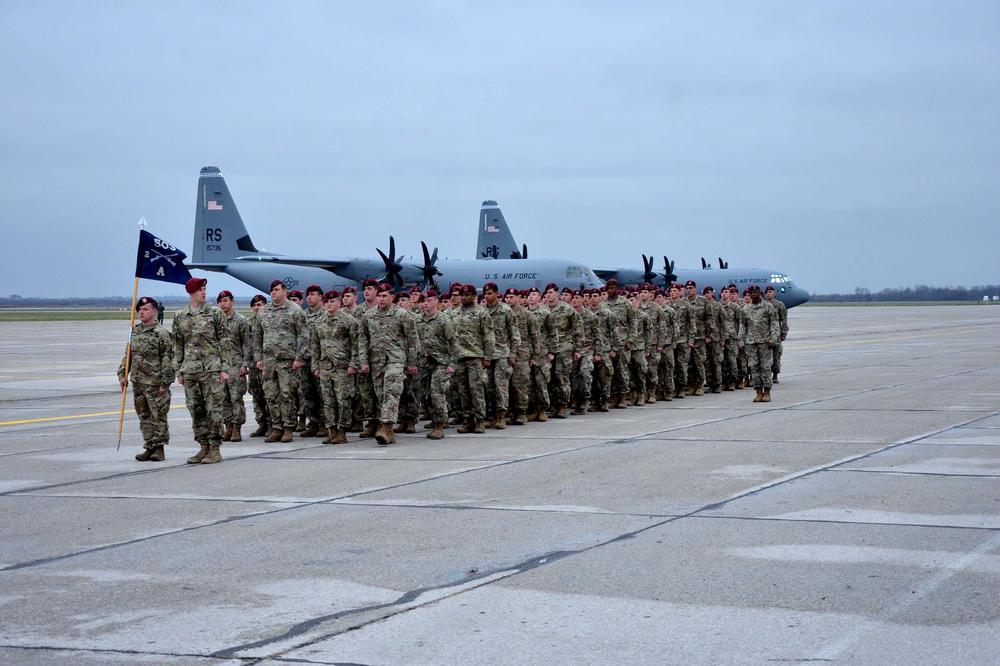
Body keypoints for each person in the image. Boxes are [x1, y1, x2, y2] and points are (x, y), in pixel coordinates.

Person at [172, 277, 234, 464]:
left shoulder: (214, 313)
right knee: (195, 410)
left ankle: (215, 448)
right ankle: (203, 447)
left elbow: (225, 341)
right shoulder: (180, 316)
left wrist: (225, 367)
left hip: (212, 370)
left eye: (205, 289)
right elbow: (178, 345)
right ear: (191, 292)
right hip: (190, 371)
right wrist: (178, 370)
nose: (204, 292)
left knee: (214, 410)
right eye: (200, 290)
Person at [357, 283, 419, 444]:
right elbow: (363, 339)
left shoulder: (402, 315)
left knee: (391, 392)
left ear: (392, 297)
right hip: (376, 361)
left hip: (396, 360)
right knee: (381, 394)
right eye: (379, 295)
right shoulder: (368, 315)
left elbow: (413, 340)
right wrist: (363, 361)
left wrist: (412, 362)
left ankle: (386, 426)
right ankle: (386, 427)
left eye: (385, 296)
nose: (381, 299)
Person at [118, 296, 173, 461]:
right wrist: (122, 374)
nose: (141, 312)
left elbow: (169, 360)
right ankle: (149, 445)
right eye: (140, 310)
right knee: (143, 417)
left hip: (155, 384)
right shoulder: (134, 331)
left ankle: (159, 449)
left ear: (155, 312)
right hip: (138, 382)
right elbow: (128, 355)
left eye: (145, 309)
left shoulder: (162, 334)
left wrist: (165, 382)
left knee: (158, 417)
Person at [253, 280, 307, 443]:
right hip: (269, 361)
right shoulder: (263, 311)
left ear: (285, 291)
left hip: (287, 361)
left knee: (286, 394)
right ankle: (276, 427)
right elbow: (257, 336)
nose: (273, 293)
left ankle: (288, 427)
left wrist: (299, 358)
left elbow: (304, 336)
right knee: (271, 395)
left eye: (277, 290)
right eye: (272, 290)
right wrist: (258, 358)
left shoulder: (294, 310)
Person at [311, 289, 358, 444]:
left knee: (343, 400)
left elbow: (356, 344)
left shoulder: (349, 321)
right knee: (328, 400)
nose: (330, 304)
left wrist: (353, 364)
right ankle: (331, 430)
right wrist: (315, 365)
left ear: (339, 303)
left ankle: (342, 431)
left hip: (342, 366)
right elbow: (315, 346)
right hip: (325, 366)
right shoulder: (319, 322)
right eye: (327, 302)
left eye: (333, 301)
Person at [450, 283, 495, 433]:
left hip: (475, 355)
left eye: (467, 295)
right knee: (463, 391)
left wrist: (487, 356)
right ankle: (468, 420)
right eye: (462, 295)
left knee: (476, 390)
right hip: (459, 357)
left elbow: (488, 336)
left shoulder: (481, 313)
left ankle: (480, 420)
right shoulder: (453, 313)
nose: (464, 297)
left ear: (475, 297)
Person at [416, 289, 459, 439]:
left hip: (441, 362)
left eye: (429, 300)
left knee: (436, 393)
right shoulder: (417, 320)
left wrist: (453, 364)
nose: (425, 304)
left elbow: (454, 343)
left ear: (436, 302)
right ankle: (435, 419)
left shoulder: (444, 320)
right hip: (424, 363)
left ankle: (440, 425)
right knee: (425, 394)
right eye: (423, 301)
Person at [482, 282, 520, 429]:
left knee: (501, 386)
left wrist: (513, 353)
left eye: (490, 293)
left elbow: (514, 334)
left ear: (497, 294)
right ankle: (491, 415)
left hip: (503, 354)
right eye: (485, 294)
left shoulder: (506, 310)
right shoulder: (481, 311)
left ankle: (501, 416)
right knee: (488, 387)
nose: (487, 296)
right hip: (487, 355)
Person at [216, 290, 252, 442]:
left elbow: (248, 344)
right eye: (221, 301)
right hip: (220, 365)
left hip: (236, 365)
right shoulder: (215, 320)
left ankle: (237, 427)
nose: (223, 304)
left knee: (236, 397)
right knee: (223, 398)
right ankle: (228, 425)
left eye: (226, 301)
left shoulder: (241, 320)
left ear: (232, 302)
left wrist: (245, 364)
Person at [543, 284, 580, 418]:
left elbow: (577, 328)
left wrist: (578, 348)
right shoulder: (543, 309)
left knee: (561, 377)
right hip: (549, 349)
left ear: (557, 294)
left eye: (551, 292)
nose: (549, 295)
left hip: (564, 347)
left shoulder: (566, 308)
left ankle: (563, 406)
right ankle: (553, 405)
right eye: (547, 292)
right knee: (550, 378)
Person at [740, 285, 780, 402]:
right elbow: (743, 326)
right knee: (754, 367)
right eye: (751, 293)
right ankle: (758, 391)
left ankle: (767, 391)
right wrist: (741, 340)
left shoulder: (768, 307)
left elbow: (774, 323)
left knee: (766, 367)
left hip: (765, 342)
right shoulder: (746, 309)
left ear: (760, 293)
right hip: (751, 343)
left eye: (755, 292)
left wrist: (774, 338)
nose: (753, 295)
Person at [298, 284, 327, 438]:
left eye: (313, 294)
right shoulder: (302, 315)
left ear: (321, 297)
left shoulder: (325, 314)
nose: (310, 297)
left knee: (322, 393)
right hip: (305, 361)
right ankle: (313, 422)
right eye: (308, 295)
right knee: (308, 394)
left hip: (321, 361)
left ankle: (324, 423)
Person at [603, 279, 636, 408]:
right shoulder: (604, 305)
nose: (611, 290)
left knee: (622, 370)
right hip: (608, 343)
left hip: (622, 342)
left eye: (613, 288)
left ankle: (623, 396)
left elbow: (633, 321)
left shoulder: (625, 303)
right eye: (609, 288)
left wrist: (631, 339)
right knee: (610, 372)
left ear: (617, 289)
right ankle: (613, 396)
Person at [247, 295, 271, 435]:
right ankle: (261, 423)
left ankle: (271, 424)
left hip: (266, 363)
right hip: (253, 365)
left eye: (259, 305)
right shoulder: (248, 323)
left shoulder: (269, 322)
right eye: (254, 305)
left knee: (269, 394)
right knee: (256, 395)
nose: (256, 307)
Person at [765, 285, 789, 383]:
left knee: (776, 355)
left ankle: (775, 375)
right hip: (765, 334)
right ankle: (767, 375)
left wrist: (784, 333)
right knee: (765, 356)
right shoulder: (763, 304)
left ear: (774, 293)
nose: (769, 293)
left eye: (771, 291)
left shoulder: (780, 305)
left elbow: (784, 319)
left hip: (776, 334)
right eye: (767, 291)